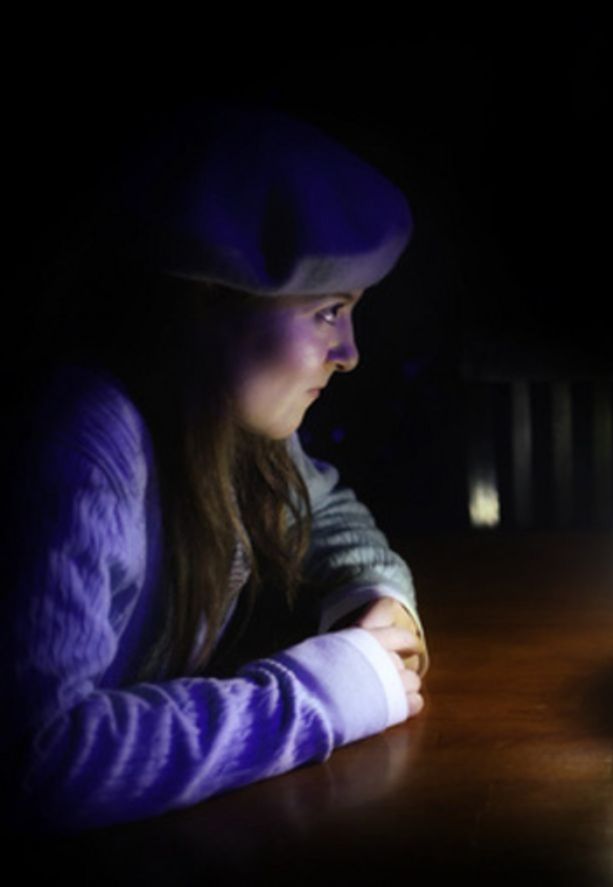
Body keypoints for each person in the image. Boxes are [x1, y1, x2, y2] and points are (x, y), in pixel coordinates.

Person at [1, 105, 428, 831]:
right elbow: (35, 758)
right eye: (329, 311)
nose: (350, 352)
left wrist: (372, 593)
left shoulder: (225, 424)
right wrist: (317, 697)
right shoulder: (87, 445)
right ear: (207, 304)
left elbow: (324, 509)